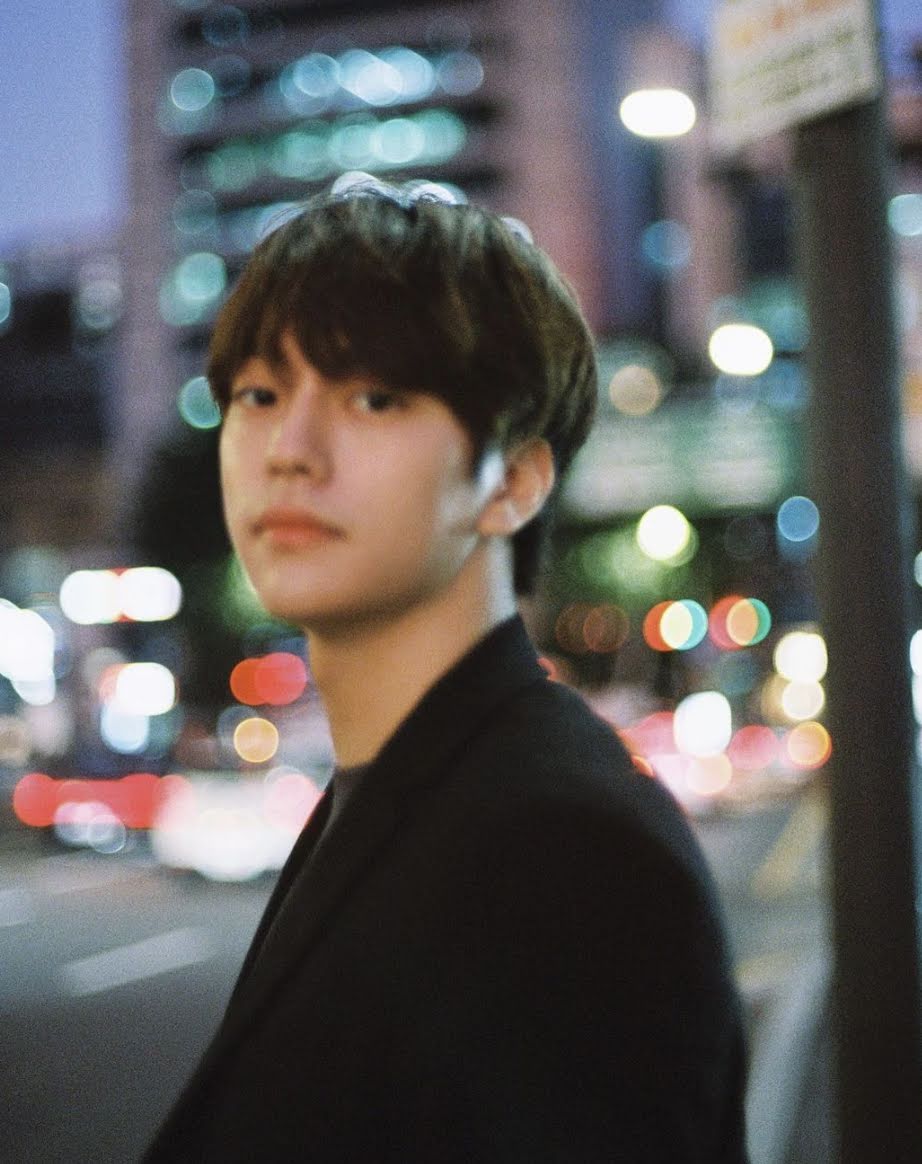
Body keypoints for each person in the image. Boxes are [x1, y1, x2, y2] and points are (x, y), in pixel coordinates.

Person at [142, 177, 748, 1162]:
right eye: (259, 394)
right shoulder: (398, 786)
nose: (290, 450)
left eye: (374, 397)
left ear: (513, 480)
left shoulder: (567, 856)